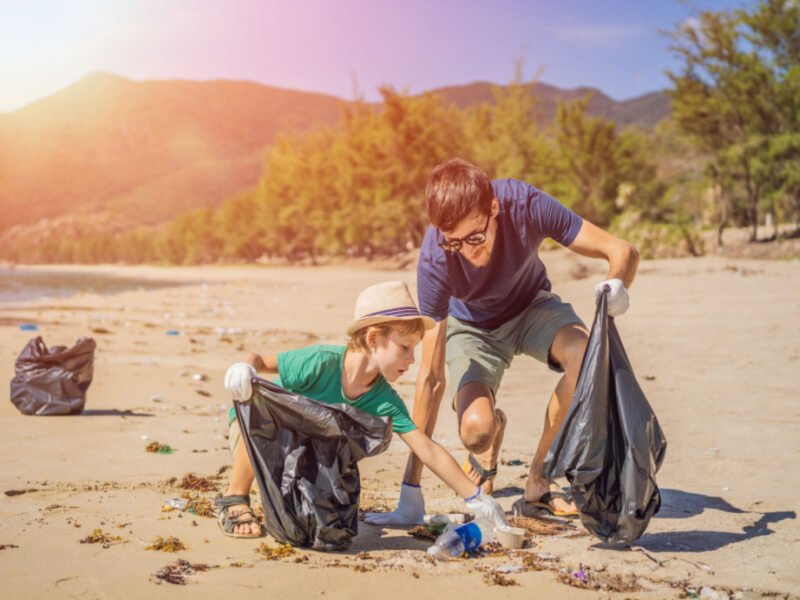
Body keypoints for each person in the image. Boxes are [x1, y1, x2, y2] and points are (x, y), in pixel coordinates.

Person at [365, 158, 639, 526]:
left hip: (531, 307)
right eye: (455, 242)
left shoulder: (524, 204)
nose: (468, 251)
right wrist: (410, 493)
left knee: (586, 355)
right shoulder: (435, 259)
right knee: (475, 431)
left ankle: (540, 479)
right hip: (472, 327)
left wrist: (617, 285)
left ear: (494, 207)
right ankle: (489, 444)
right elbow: (430, 378)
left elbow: (621, 251)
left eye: (476, 237)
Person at [216, 280, 508, 538]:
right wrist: (243, 369)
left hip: (304, 451)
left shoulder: (383, 399)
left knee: (325, 522)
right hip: (256, 435)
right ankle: (235, 497)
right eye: (404, 347)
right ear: (372, 338)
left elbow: (426, 449)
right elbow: (258, 360)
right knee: (261, 404)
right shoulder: (321, 362)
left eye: (415, 349)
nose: (412, 358)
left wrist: (476, 497)